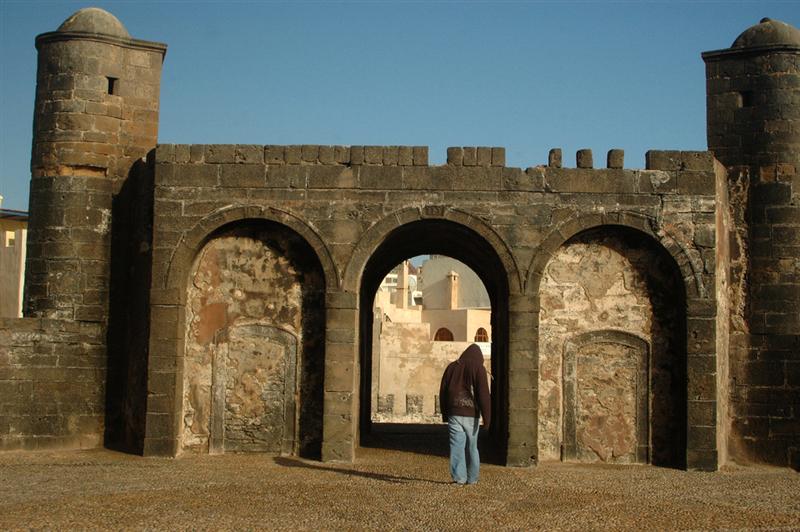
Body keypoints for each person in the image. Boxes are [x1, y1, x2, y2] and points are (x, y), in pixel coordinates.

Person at [439, 343, 491, 485]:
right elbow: (484, 395)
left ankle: (459, 478)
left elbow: (443, 391)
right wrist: (487, 419)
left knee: (456, 446)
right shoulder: (478, 368)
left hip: (454, 412)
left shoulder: (451, 367)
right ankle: (472, 478)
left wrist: (445, 413)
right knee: (472, 447)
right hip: (471, 414)